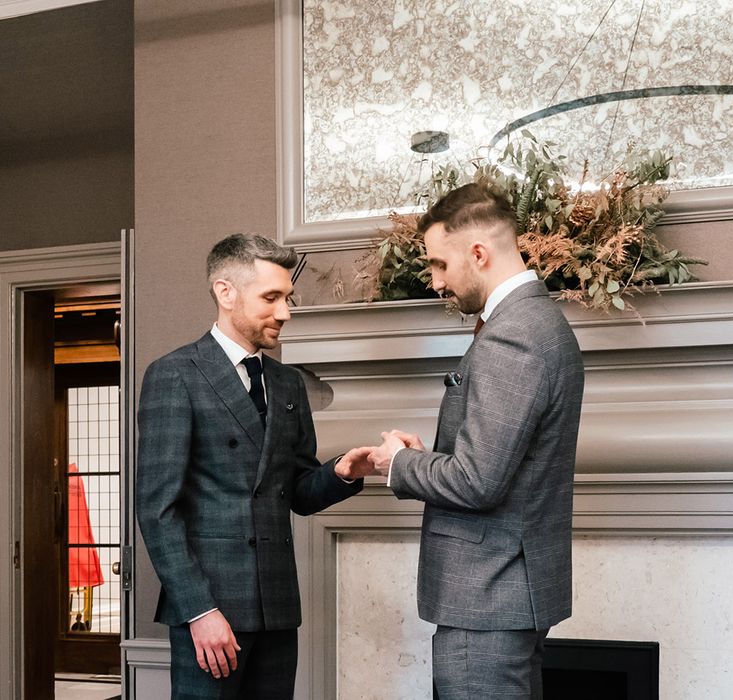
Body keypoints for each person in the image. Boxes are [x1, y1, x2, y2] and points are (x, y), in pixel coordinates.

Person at [370, 182, 585, 699]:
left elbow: (477, 482)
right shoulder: (539, 323)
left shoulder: (513, 336)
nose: (437, 282)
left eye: (441, 265)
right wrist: (428, 458)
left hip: (487, 598)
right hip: (507, 594)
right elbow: (500, 462)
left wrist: (398, 463)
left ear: (479, 253)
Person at [137, 233, 373, 700]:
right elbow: (157, 511)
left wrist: (344, 470)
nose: (285, 312)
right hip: (210, 613)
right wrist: (199, 611)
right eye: (271, 298)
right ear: (226, 292)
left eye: (287, 298)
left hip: (278, 608)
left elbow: (297, 494)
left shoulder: (287, 383)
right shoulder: (175, 374)